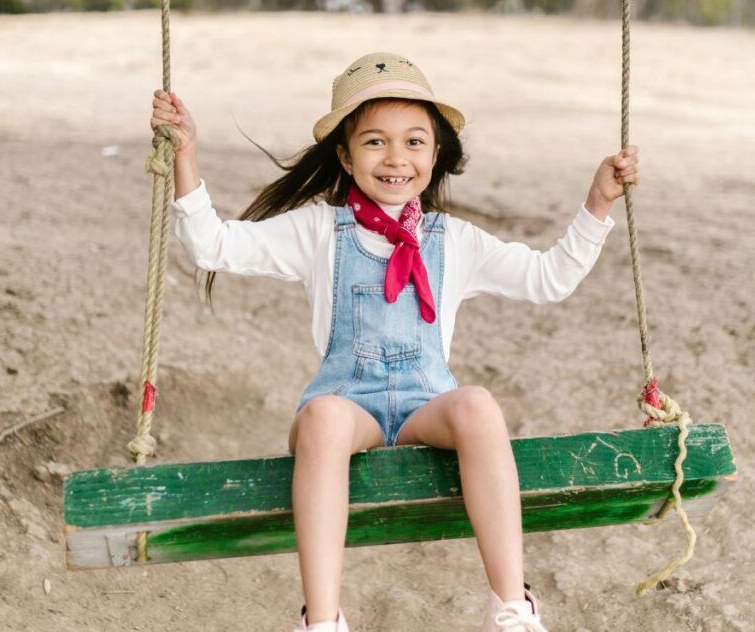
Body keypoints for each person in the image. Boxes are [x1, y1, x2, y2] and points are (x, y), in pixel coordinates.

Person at [150, 52, 639, 632]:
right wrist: (185, 153)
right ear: (345, 153)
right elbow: (213, 246)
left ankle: (511, 607)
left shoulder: (453, 241)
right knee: (325, 418)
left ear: (436, 154)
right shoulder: (318, 232)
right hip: (348, 408)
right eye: (375, 142)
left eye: (414, 142)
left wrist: (599, 203)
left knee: (478, 403)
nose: (396, 159)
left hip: (422, 410)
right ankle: (324, 619)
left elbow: (548, 277)